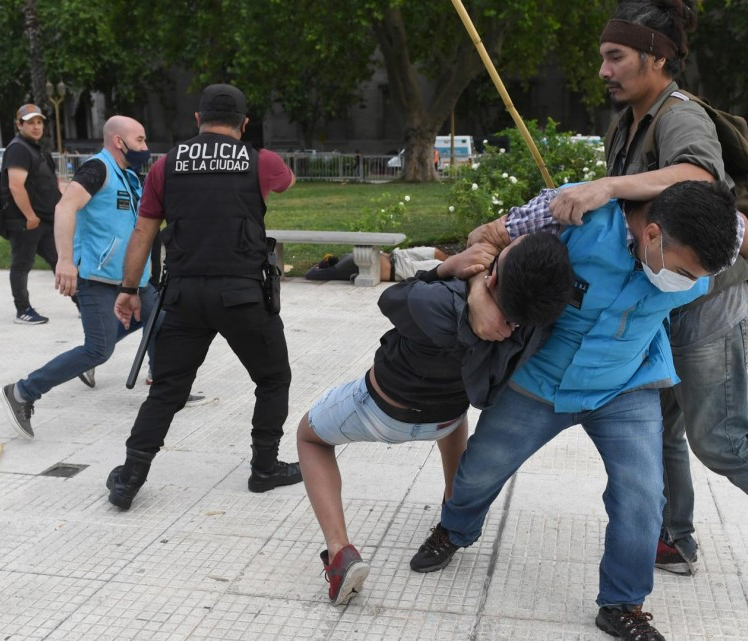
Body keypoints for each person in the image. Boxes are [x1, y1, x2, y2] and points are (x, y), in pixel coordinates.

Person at [547, 0, 748, 611]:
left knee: (719, 438)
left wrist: (605, 186)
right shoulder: (628, 123)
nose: (604, 71)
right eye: (603, 57)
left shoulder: (679, 115)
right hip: (661, 300)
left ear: (657, 58)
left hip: (708, 299)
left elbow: (699, 178)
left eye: (616, 57)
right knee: (659, 424)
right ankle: (673, 536)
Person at [411, 180, 748, 641]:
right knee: (480, 469)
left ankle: (623, 603)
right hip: (541, 379)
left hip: (626, 383)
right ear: (652, 234)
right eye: (684, 272)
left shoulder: (717, 238)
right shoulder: (571, 213)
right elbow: (482, 240)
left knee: (643, 496)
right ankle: (454, 529)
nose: (690, 283)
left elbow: (719, 196)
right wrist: (478, 293)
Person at [299, 234, 573, 605]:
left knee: (310, 437)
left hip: (380, 410)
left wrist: (446, 271)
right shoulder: (536, 327)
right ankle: (451, 506)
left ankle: (338, 552)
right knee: (455, 419)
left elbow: (392, 298)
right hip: (446, 416)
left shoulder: (438, 302)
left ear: (492, 276)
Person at [106, 84, 298, 510]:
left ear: (197, 120)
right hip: (243, 296)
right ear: (244, 124)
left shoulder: (166, 165)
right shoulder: (261, 160)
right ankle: (265, 468)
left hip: (184, 296)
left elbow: (144, 231)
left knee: (167, 390)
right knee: (272, 379)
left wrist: (128, 289)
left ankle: (129, 477)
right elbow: (286, 182)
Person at [0, 116, 207, 440]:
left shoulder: (129, 176)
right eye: (140, 140)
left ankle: (164, 384)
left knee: (158, 321)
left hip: (132, 279)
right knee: (98, 350)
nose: (145, 147)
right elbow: (65, 208)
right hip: (99, 279)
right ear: (119, 141)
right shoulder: (97, 169)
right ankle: (22, 392)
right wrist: (65, 260)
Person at [1, 104, 63, 325]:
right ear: (19, 125)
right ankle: (23, 310)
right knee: (22, 264)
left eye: (39, 122)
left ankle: (82, 303)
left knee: (59, 260)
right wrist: (30, 216)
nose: (36, 127)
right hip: (27, 221)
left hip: (45, 219)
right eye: (30, 123)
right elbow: (16, 186)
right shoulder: (18, 149)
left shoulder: (36, 148)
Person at [304, 246, 449, 283]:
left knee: (435, 252)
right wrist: (318, 266)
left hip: (397, 255)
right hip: (398, 269)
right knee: (442, 266)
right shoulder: (339, 269)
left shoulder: (345, 259)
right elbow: (310, 274)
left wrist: (320, 264)